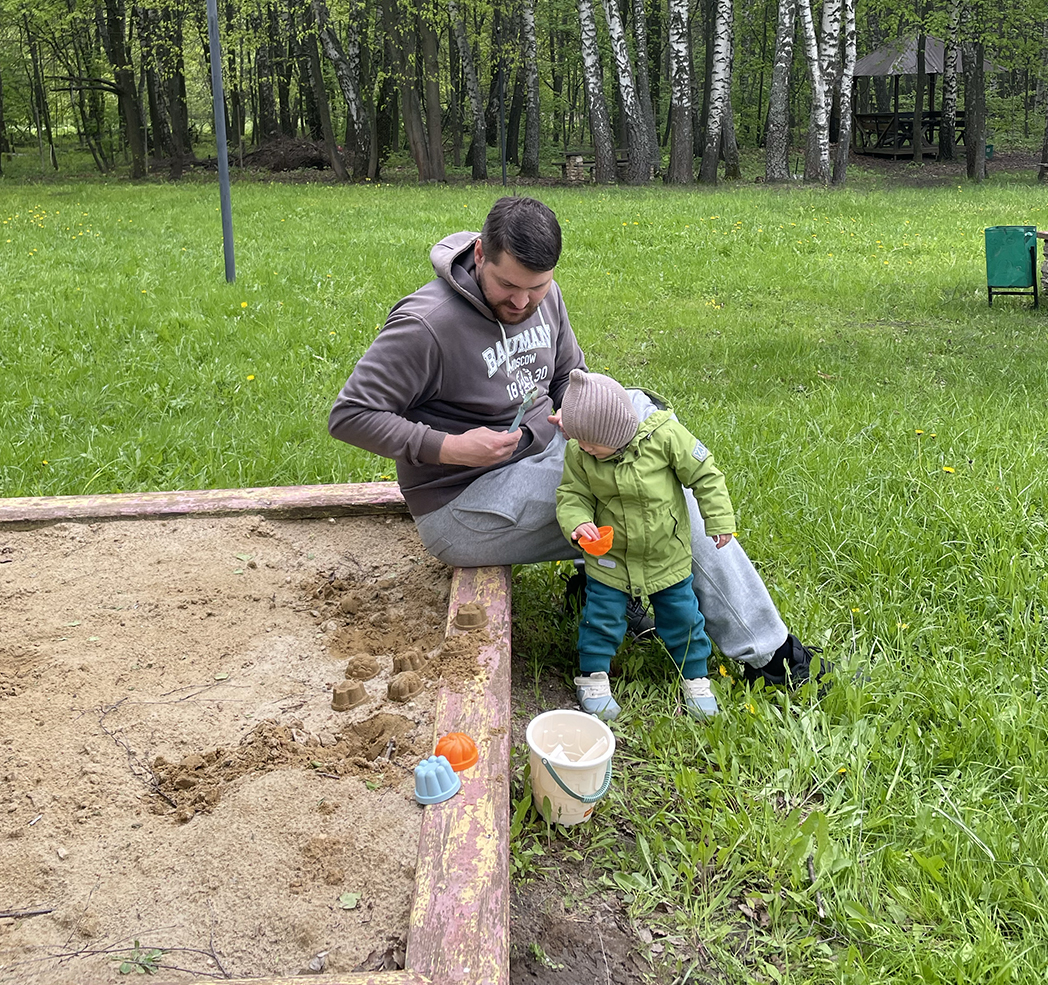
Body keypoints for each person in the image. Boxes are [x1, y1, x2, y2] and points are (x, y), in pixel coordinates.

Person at [328, 195, 824, 690]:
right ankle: (774, 658)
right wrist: (449, 448)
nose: (522, 303)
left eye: (536, 288)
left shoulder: (549, 298)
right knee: (656, 491)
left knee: (637, 411)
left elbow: (568, 376)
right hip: (464, 503)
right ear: (480, 254)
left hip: (540, 453)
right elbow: (349, 415)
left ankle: (606, 582)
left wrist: (577, 409)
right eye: (508, 285)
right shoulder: (426, 325)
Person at [555, 369, 734, 721]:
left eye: (590, 442)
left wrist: (719, 519)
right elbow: (572, 493)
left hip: (666, 553)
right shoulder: (581, 453)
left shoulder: (665, 437)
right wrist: (578, 522)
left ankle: (695, 677)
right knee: (601, 617)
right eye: (579, 442)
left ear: (615, 431)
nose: (583, 448)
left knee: (683, 617)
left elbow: (705, 474)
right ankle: (593, 677)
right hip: (612, 558)